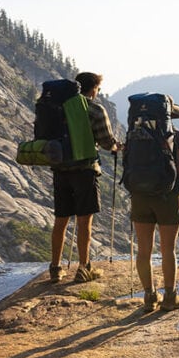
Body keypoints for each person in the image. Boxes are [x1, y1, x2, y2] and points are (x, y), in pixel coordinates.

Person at [49, 72, 122, 283]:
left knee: (60, 220)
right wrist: (118, 147)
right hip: (84, 170)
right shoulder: (95, 109)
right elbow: (108, 142)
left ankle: (55, 268)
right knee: (84, 221)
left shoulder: (59, 107)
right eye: (98, 89)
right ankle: (84, 267)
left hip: (60, 170)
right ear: (92, 89)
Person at [131, 101, 179, 312]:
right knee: (167, 249)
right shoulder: (177, 135)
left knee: (143, 251)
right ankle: (170, 297)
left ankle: (149, 297)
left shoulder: (134, 133)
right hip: (168, 197)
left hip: (140, 196)